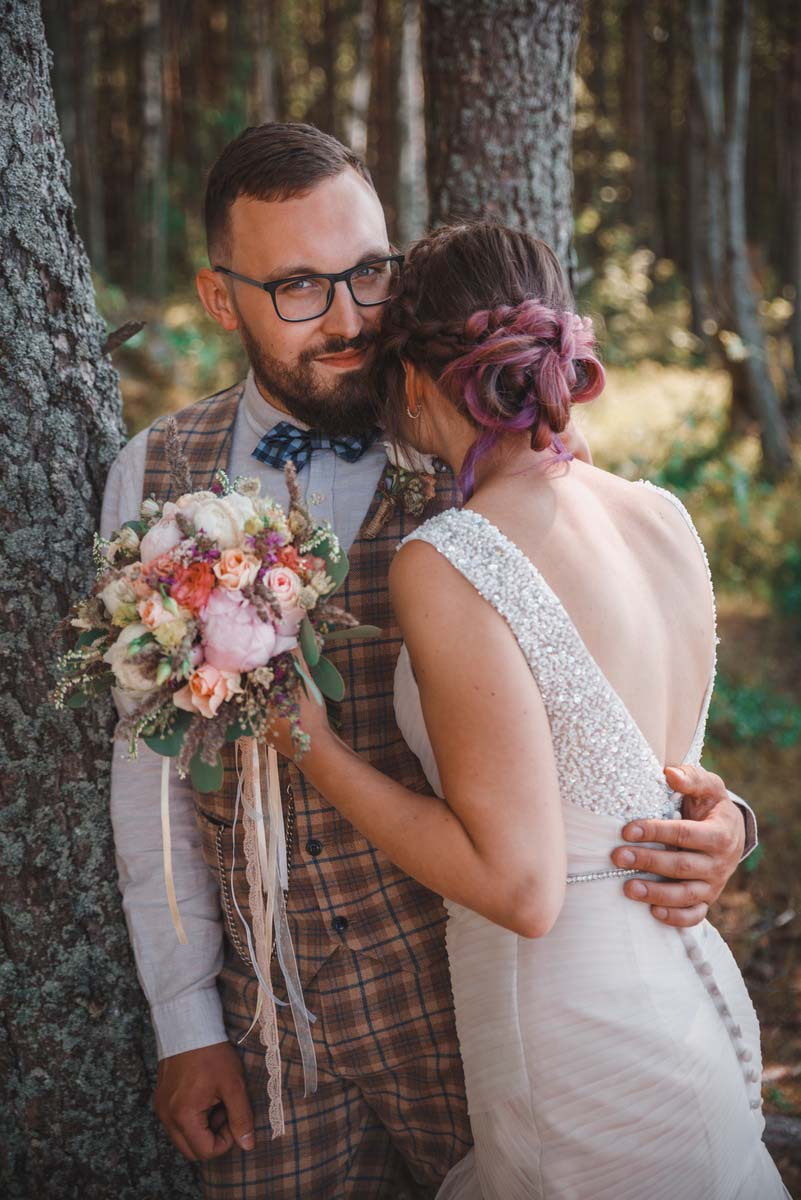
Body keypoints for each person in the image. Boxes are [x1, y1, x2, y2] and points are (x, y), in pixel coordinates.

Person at [101, 123, 757, 1199]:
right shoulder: (155, 474)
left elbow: (617, 691)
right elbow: (148, 767)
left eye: (369, 271)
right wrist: (185, 1022)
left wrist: (728, 826)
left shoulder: (484, 440)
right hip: (274, 1029)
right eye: (301, 288)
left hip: (473, 1009)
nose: (355, 315)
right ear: (225, 301)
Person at [264, 220, 787, 1199]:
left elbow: (518, 887)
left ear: (420, 381)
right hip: (680, 992)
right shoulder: (659, 515)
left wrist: (315, 751)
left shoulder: (453, 555)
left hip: (575, 1036)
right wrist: (732, 822)